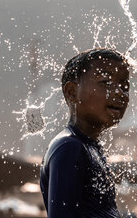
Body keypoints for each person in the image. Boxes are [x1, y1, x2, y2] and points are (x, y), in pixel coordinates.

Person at [40, 48, 130, 218]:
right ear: (72, 92)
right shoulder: (69, 149)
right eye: (105, 83)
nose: (120, 93)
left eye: (125, 86)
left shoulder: (89, 147)